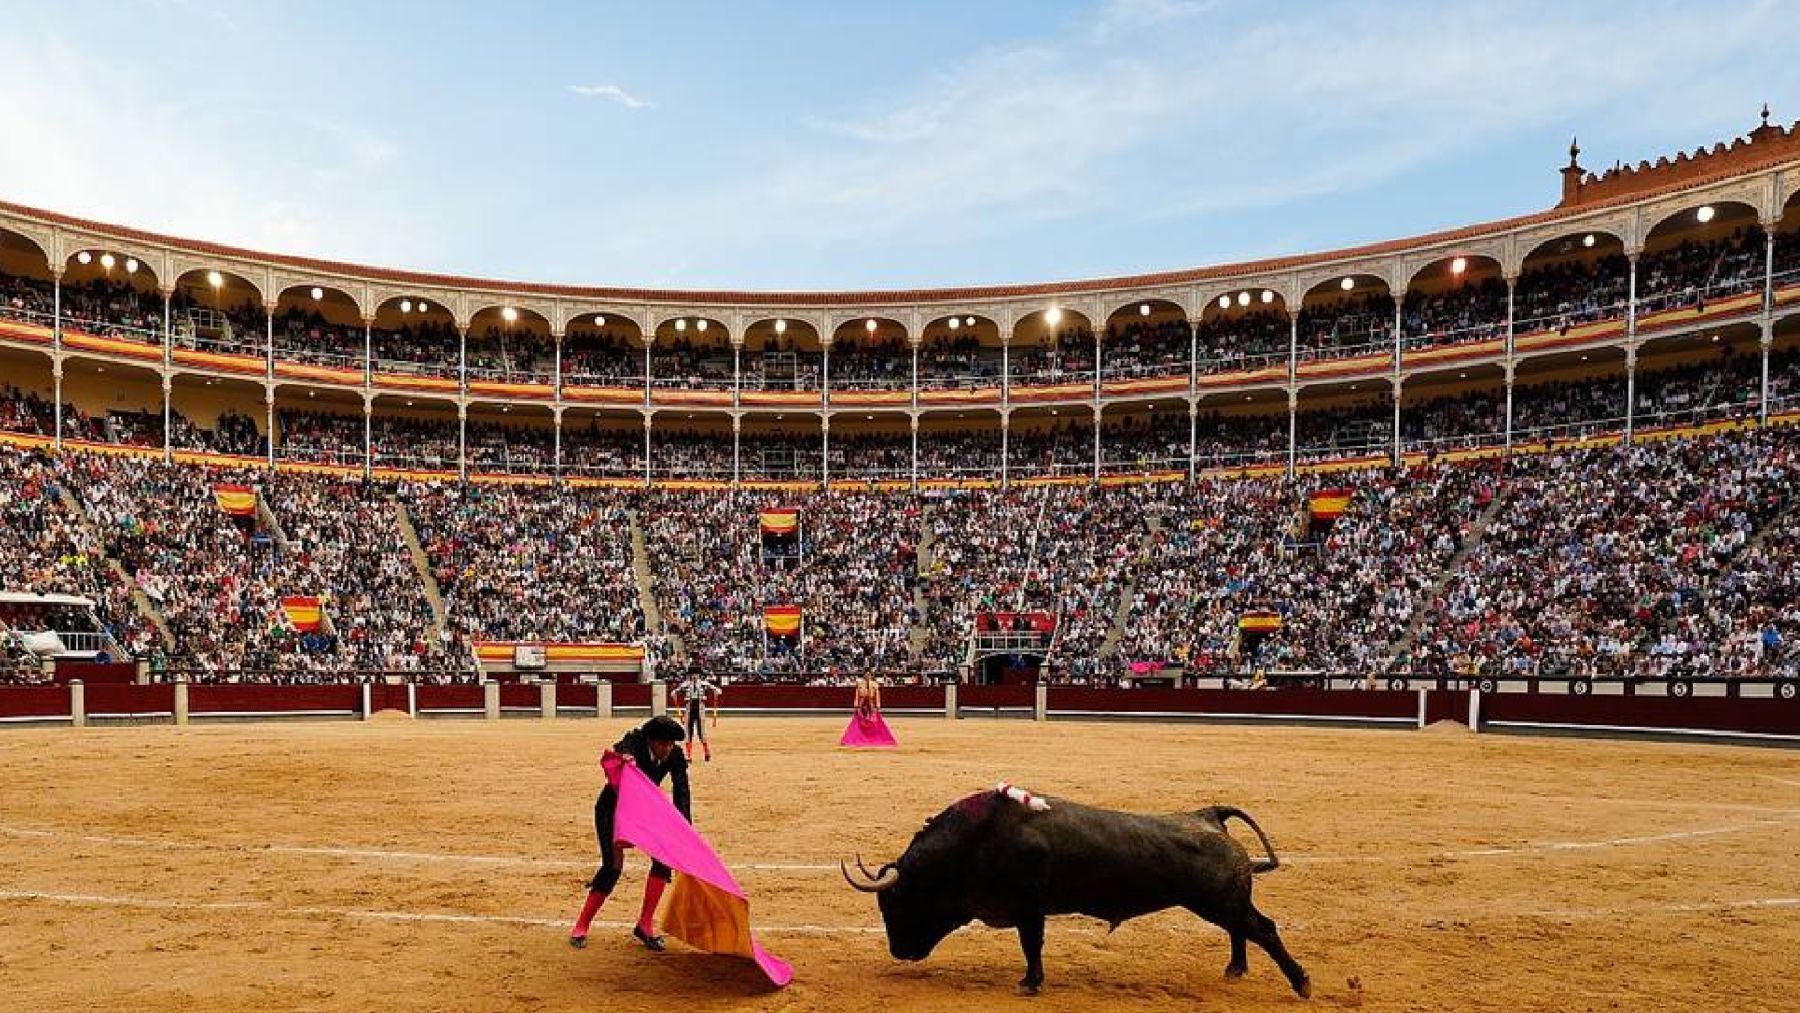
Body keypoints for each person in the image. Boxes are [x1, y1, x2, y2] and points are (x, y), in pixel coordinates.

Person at [569, 715, 691, 951]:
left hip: (643, 810)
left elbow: (682, 790)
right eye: (662, 743)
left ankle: (644, 925)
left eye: (671, 744)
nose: (667, 749)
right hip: (612, 809)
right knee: (613, 866)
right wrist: (625, 756)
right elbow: (624, 745)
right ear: (651, 740)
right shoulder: (635, 742)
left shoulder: (674, 755)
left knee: (663, 861)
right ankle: (581, 925)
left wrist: (684, 826)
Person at [673, 670, 721, 762]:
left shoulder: (704, 684)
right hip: (689, 708)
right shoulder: (686, 685)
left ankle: (706, 752)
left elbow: (715, 689)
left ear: (699, 675)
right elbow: (676, 691)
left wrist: (717, 691)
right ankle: (689, 755)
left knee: (701, 732)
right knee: (688, 732)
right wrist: (674, 693)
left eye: (696, 674)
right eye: (692, 674)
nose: (694, 676)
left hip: (700, 708)